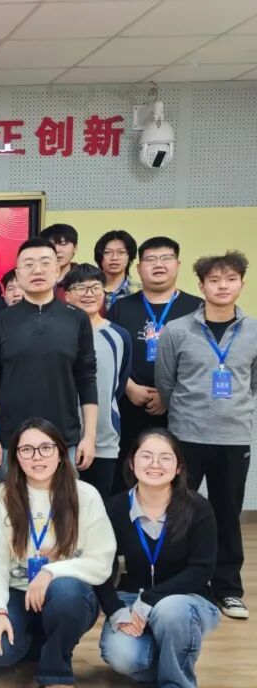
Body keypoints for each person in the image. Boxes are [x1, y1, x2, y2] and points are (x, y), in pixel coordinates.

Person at [0, 418, 115, 688]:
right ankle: (45, 639)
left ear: (61, 453)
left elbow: (101, 561)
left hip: (65, 593)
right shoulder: (0, 496)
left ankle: (57, 671)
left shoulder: (85, 495)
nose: (37, 457)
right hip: (17, 590)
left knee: (66, 592)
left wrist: (51, 571)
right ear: (16, 457)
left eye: (45, 448)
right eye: (26, 450)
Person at [156, 250, 256, 620]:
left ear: (241, 284)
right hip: (186, 436)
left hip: (233, 438)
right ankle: (177, 582)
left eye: (230, 279)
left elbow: (252, 384)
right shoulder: (177, 330)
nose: (222, 286)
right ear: (201, 286)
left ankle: (228, 589)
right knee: (179, 511)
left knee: (228, 513)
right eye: (214, 280)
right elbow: (166, 383)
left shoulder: (254, 331)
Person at [97, 429, 220, 688]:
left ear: (178, 467)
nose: (155, 464)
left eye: (165, 457)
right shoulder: (115, 508)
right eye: (146, 456)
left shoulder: (198, 508)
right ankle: (171, 661)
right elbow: (99, 567)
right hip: (131, 599)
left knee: (171, 609)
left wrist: (152, 598)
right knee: (122, 656)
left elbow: (201, 570)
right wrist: (116, 610)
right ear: (132, 463)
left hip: (188, 601)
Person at [0, 237, 98, 480]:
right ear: (18, 273)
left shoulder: (77, 319)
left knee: (65, 503)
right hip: (10, 441)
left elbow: (87, 378)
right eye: (29, 264)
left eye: (45, 263)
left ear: (58, 271)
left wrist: (89, 437)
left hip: (64, 439)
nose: (37, 270)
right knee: (11, 503)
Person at [107, 236, 202, 494]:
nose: (158, 265)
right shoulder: (121, 307)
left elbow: (202, 361)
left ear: (178, 264)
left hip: (180, 410)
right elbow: (109, 355)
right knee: (126, 476)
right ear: (139, 268)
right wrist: (129, 387)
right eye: (150, 260)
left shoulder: (196, 308)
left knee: (176, 479)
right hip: (129, 406)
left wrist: (167, 394)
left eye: (165, 258)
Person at [62, 266, 132, 502]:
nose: (89, 293)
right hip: (60, 438)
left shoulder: (119, 336)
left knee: (97, 507)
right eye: (80, 287)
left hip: (103, 439)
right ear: (67, 295)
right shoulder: (56, 334)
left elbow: (118, 385)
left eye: (95, 287)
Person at [95, 229, 140, 310]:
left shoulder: (140, 292)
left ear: (130, 257)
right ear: (99, 257)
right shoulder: (89, 291)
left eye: (121, 252)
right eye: (107, 252)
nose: (114, 258)